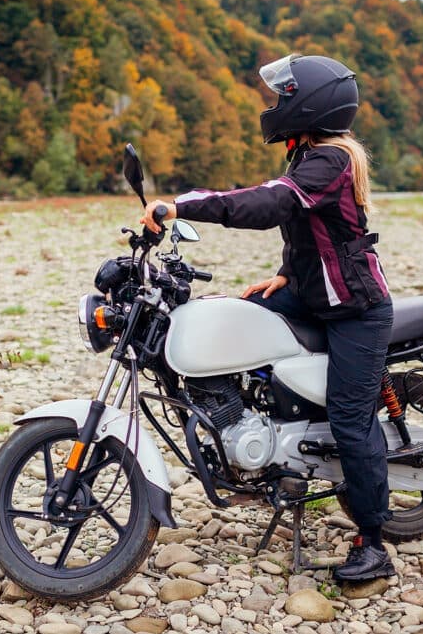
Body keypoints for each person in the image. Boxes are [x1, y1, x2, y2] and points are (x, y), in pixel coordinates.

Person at [140, 54, 395, 582]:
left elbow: (268, 205)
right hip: (312, 292)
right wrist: (285, 274)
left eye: (283, 97)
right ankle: (261, 434)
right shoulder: (309, 156)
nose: (274, 105)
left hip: (355, 308)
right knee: (233, 320)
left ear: (310, 104)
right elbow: (310, 228)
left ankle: (373, 544)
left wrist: (182, 205)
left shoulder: (332, 160)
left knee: (352, 421)